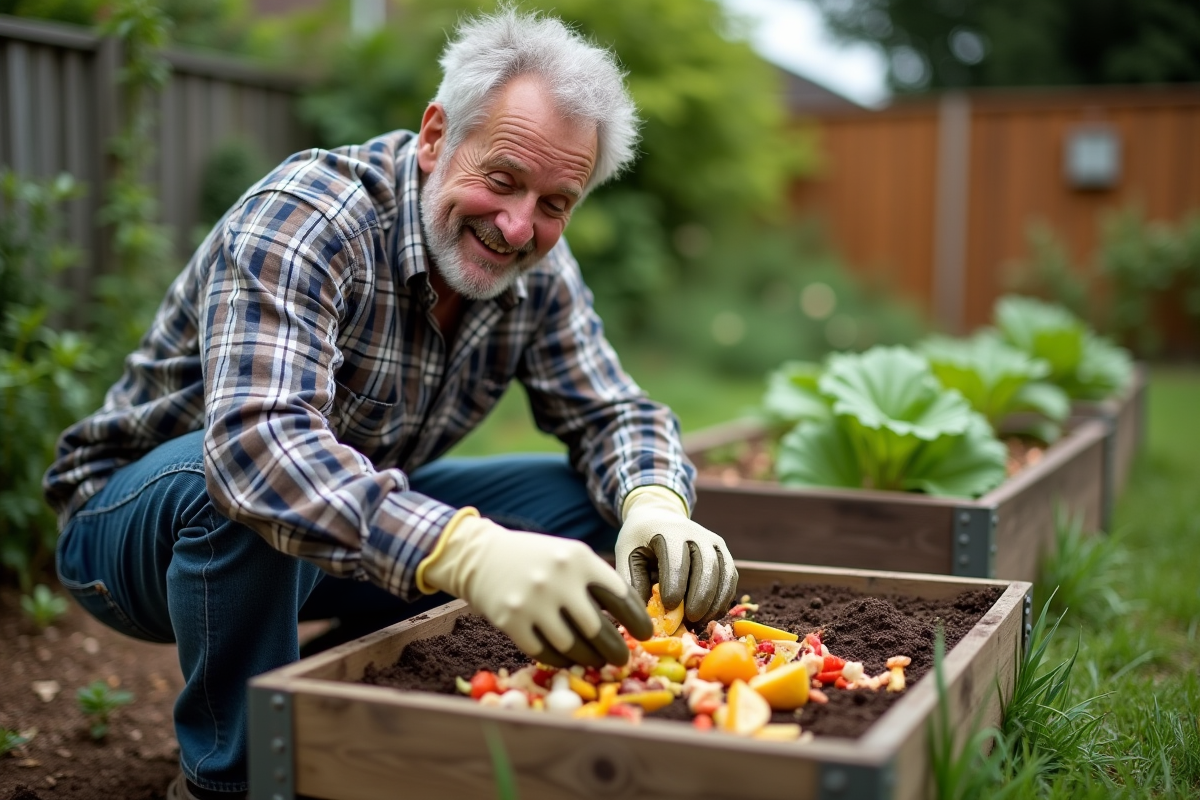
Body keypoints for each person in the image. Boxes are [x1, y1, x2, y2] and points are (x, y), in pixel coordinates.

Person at [43, 7, 738, 799]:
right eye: (503, 180)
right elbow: (258, 450)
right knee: (245, 488)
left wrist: (655, 501)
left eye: (556, 202)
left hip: (327, 540)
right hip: (133, 531)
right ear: (438, 135)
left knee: (587, 507)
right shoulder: (312, 213)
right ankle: (233, 778)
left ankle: (354, 687)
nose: (519, 227)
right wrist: (468, 553)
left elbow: (613, 411)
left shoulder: (537, 266)